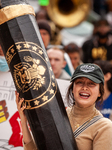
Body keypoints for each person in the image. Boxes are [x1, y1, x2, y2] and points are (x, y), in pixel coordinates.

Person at [16, 63, 112, 150]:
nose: (85, 87)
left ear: (100, 92)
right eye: (79, 82)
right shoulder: (58, 114)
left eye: (91, 84)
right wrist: (24, 122)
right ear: (73, 88)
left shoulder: (104, 127)